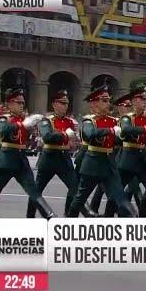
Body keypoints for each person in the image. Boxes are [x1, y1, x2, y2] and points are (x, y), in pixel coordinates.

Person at [0, 88, 56, 232]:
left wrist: (35, 124)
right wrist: (23, 125)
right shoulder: (5, 118)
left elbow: (27, 135)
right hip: (7, 159)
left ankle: (50, 217)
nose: (21, 105)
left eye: (23, 102)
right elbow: (2, 129)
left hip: (21, 159)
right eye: (18, 102)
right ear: (10, 104)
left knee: (33, 191)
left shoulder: (23, 119)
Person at [66, 85, 137, 218]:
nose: (108, 103)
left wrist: (125, 136)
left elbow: (120, 140)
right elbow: (89, 134)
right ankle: (69, 222)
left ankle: (130, 220)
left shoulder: (113, 121)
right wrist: (110, 131)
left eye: (108, 100)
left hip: (109, 165)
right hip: (92, 163)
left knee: (120, 198)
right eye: (104, 100)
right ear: (94, 103)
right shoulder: (89, 121)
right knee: (80, 198)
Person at [104, 86, 146, 217]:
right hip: (127, 160)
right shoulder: (127, 118)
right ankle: (107, 218)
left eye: (145, 99)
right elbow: (127, 130)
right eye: (141, 99)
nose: (145, 101)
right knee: (116, 193)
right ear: (134, 101)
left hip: (142, 160)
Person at [25, 90, 92, 218]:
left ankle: (83, 214)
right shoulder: (46, 121)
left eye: (66, 103)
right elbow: (47, 137)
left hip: (64, 158)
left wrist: (73, 142)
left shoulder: (70, 122)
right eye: (62, 103)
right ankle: (30, 218)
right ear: (54, 104)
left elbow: (73, 141)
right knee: (37, 190)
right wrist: (64, 134)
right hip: (49, 157)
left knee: (75, 188)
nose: (65, 106)